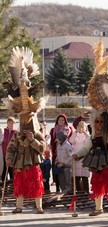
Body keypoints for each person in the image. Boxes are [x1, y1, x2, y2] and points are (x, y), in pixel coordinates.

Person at [72, 40, 108, 217]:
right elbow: (87, 146)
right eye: (96, 122)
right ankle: (98, 208)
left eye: (100, 122)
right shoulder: (93, 134)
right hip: (96, 158)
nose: (98, 124)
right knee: (96, 183)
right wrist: (78, 154)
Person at [3, 46, 47, 214]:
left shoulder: (36, 133)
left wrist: (33, 139)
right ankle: (19, 206)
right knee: (20, 182)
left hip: (33, 161)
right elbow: (11, 148)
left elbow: (42, 148)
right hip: (21, 161)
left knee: (36, 182)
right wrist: (8, 158)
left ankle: (39, 206)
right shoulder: (17, 135)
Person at [50, 114, 74, 192]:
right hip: (57, 155)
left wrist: (64, 163)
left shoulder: (69, 129)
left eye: (62, 120)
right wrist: (57, 161)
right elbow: (51, 141)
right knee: (59, 177)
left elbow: (71, 154)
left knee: (68, 179)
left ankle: (68, 194)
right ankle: (60, 190)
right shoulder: (53, 130)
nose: (61, 121)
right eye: (59, 120)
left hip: (66, 163)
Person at [70, 121, 91, 193]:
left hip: (84, 157)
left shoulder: (87, 135)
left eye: (83, 126)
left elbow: (90, 141)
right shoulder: (75, 134)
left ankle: (86, 192)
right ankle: (78, 192)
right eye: (80, 126)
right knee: (77, 177)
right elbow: (71, 141)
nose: (81, 128)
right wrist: (76, 132)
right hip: (76, 157)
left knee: (85, 177)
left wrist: (85, 132)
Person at [2, 117, 17, 181]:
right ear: (7, 123)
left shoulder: (16, 132)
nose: (11, 125)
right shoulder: (3, 131)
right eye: (9, 123)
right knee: (3, 173)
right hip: (3, 155)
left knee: (12, 174)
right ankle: (4, 189)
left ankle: (12, 189)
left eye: (12, 123)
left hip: (12, 156)